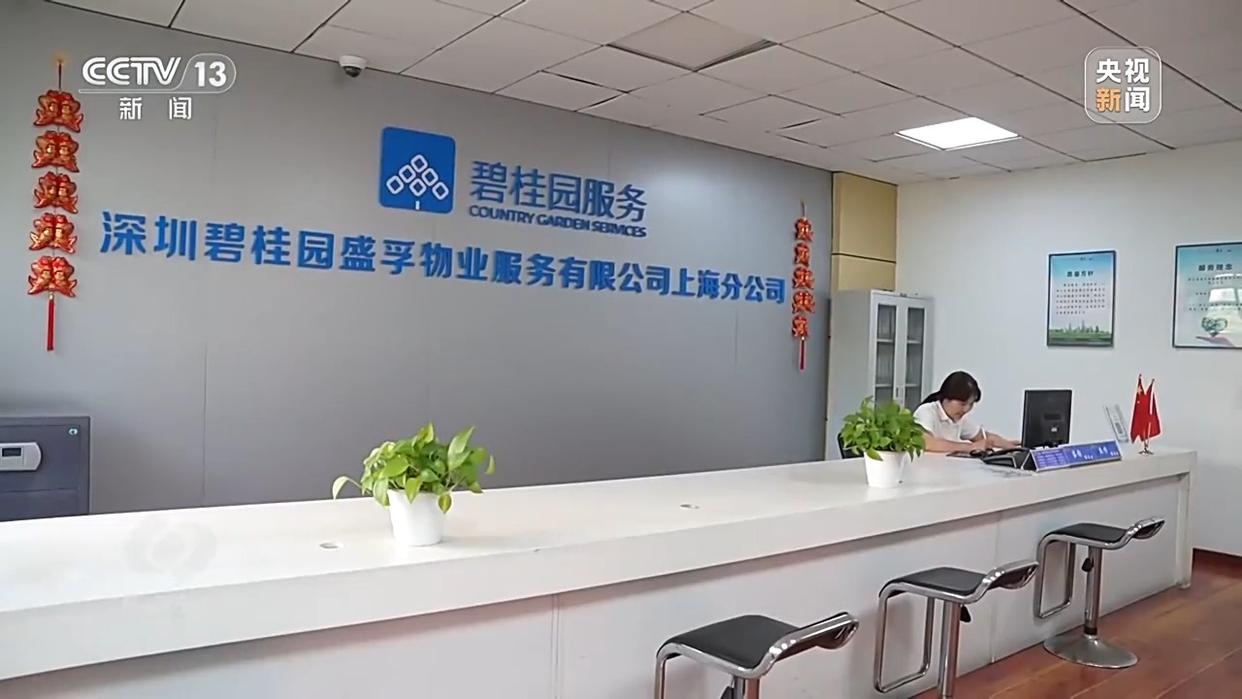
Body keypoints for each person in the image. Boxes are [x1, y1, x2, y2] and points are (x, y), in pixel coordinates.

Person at [913, 371, 1020, 453]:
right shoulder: (926, 411)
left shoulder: (959, 419)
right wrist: (970, 447)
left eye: (971, 404)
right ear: (947, 398)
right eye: (962, 404)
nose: (966, 409)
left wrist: (1012, 447)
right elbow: (926, 442)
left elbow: (984, 436)